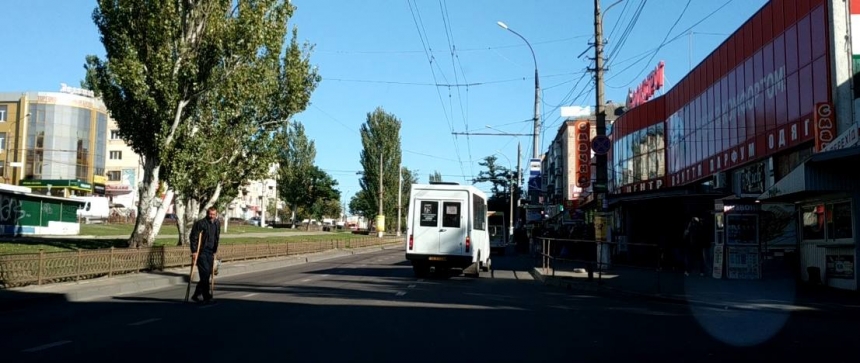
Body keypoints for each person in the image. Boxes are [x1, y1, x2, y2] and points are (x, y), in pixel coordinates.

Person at [189, 207, 221, 303]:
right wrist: (194, 251)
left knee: (207, 274)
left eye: (213, 214)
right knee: (205, 273)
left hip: (211, 252)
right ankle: (206, 296)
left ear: (216, 214)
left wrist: (215, 250)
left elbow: (216, 237)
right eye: (210, 214)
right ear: (207, 213)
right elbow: (193, 237)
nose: (211, 216)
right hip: (201, 252)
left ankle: (196, 295)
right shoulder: (201, 223)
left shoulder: (217, 223)